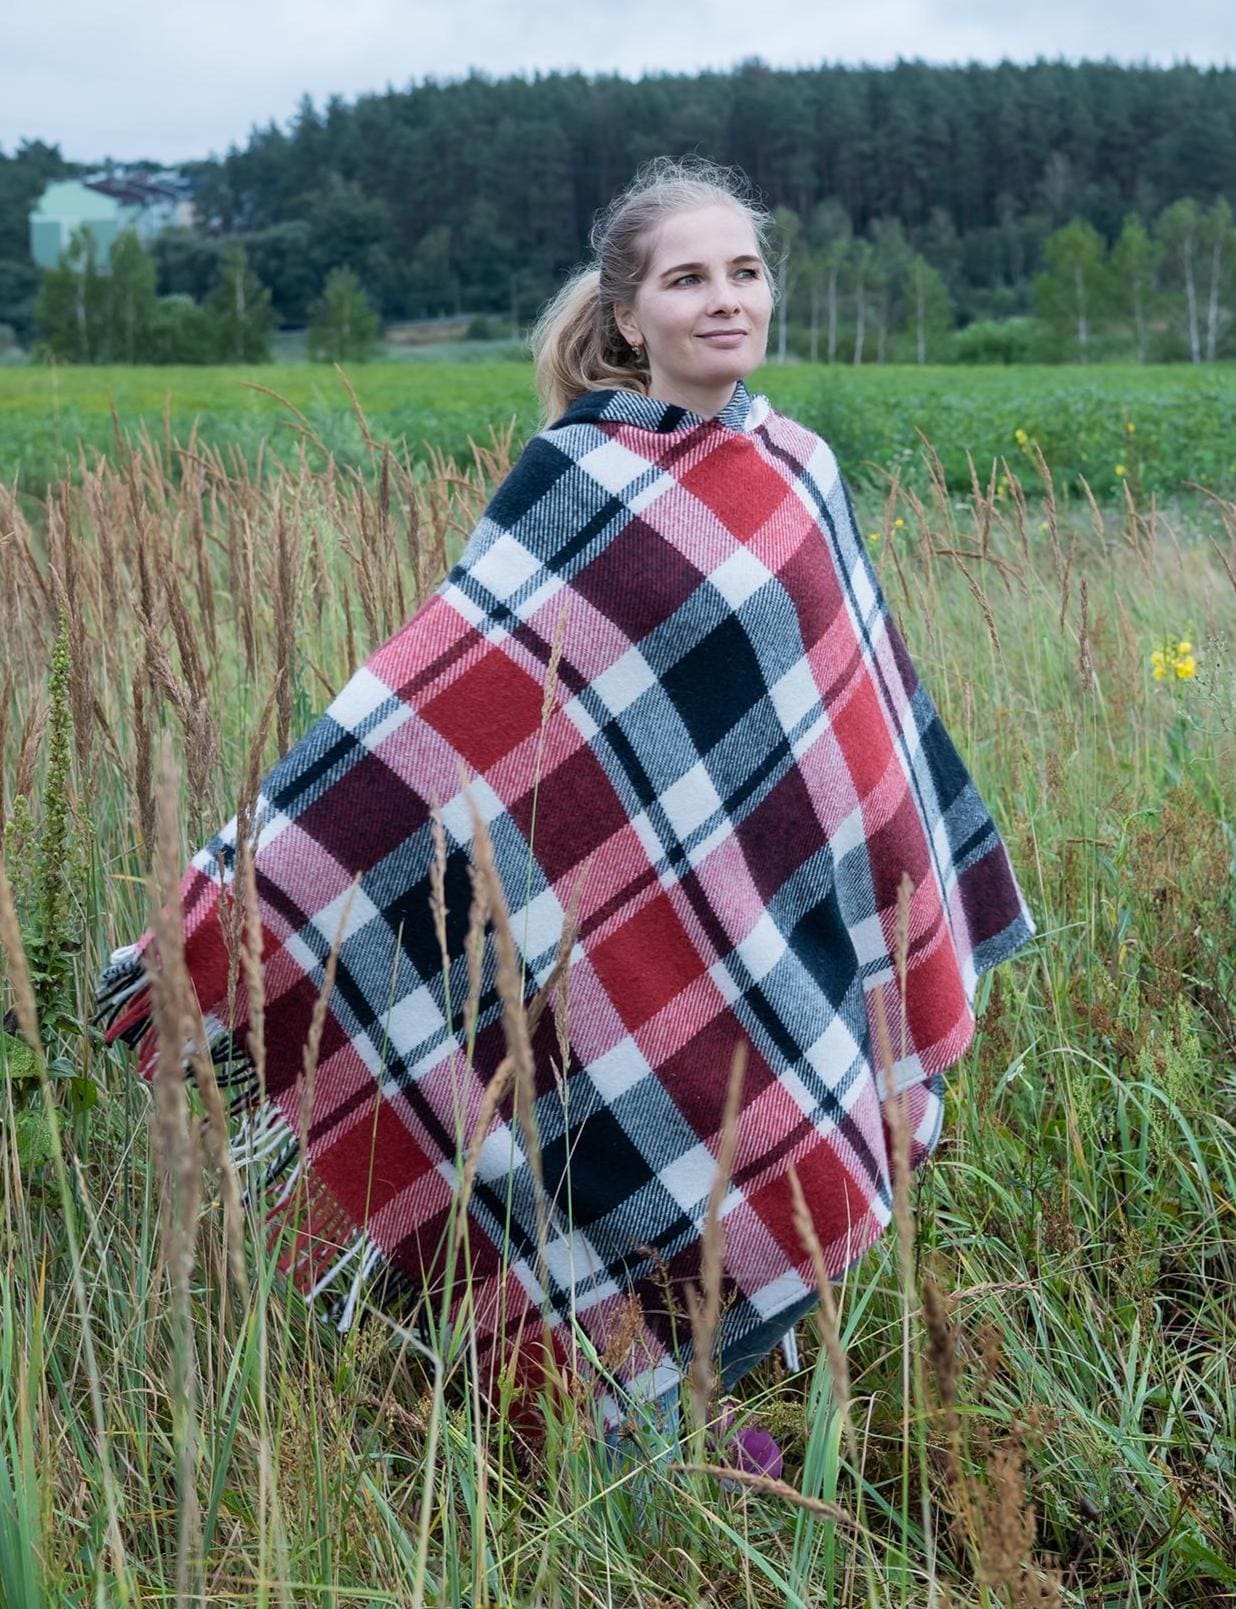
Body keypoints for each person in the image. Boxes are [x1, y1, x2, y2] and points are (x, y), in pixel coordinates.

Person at [96, 155, 1036, 1459]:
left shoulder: (801, 473)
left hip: (772, 916)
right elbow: (424, 714)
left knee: (756, 1125)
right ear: (629, 314)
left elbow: (855, 736)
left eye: (745, 271)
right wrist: (229, 914)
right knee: (603, 1136)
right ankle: (637, 1442)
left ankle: (707, 1418)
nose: (725, 299)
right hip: (601, 933)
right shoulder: (575, 488)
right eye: (688, 277)